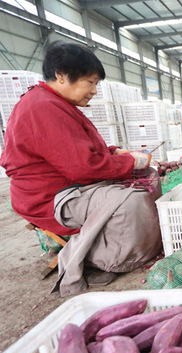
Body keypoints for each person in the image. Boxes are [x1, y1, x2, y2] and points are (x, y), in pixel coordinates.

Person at [0, 41, 162, 296]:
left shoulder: (57, 104)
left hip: (73, 185)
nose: (94, 91)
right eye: (91, 82)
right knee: (130, 201)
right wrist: (130, 161)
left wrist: (115, 153)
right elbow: (83, 166)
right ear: (62, 75)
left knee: (149, 178)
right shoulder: (41, 107)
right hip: (51, 197)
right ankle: (107, 259)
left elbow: (79, 150)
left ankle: (121, 243)